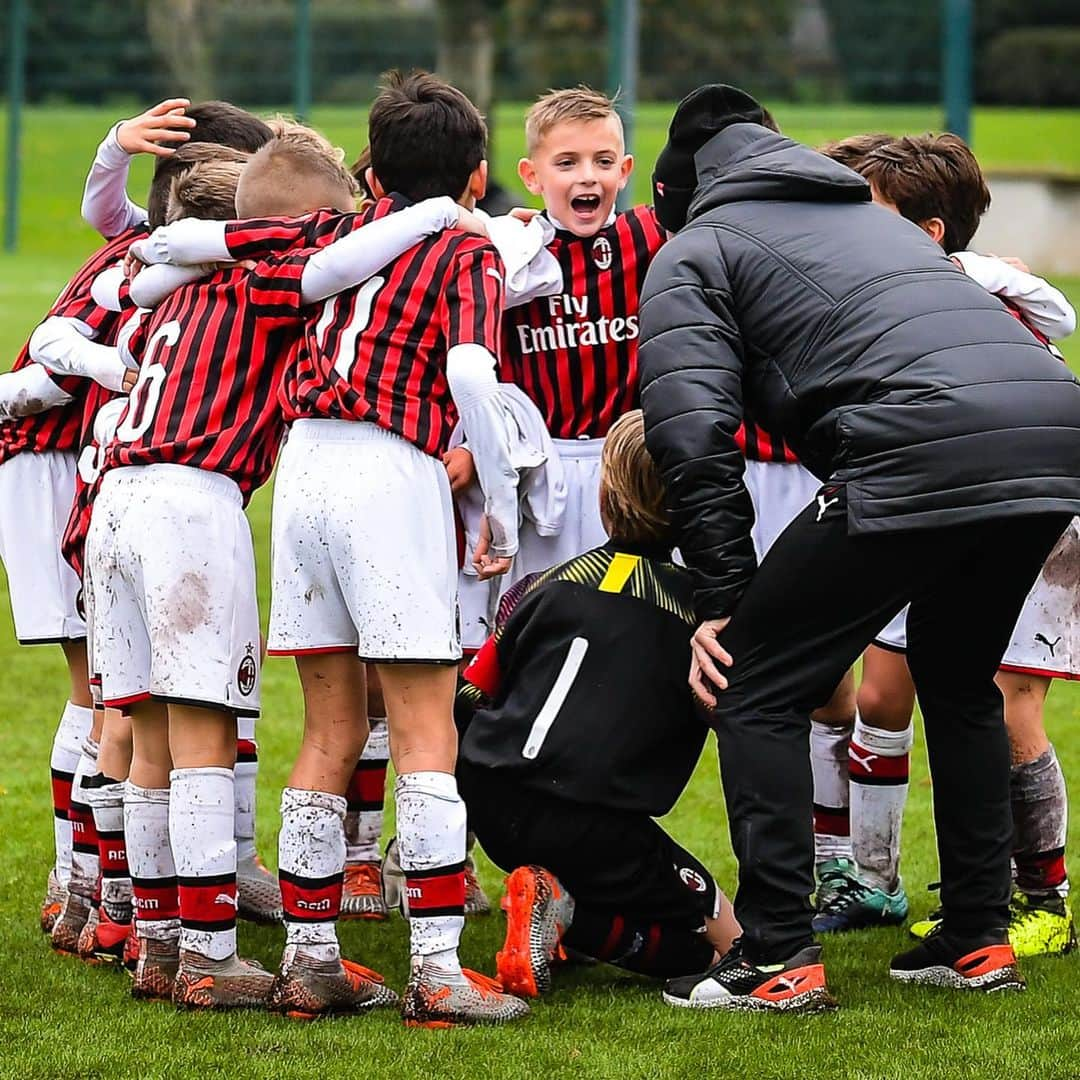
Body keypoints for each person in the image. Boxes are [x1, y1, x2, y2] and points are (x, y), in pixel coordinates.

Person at [638, 83, 1080, 1010]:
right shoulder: (867, 218)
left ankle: (776, 958)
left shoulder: (697, 246)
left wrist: (725, 594)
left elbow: (688, 430)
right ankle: (977, 939)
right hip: (1054, 433)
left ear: (680, 191)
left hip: (920, 446)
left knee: (753, 682)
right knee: (961, 682)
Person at [810, 133, 1077, 956]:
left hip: (1035, 510)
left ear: (927, 234)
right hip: (948, 509)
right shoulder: (884, 295)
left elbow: (1059, 312)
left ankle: (1045, 899)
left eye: (869, 213)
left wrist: (980, 272)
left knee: (1003, 705)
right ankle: (872, 878)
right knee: (888, 689)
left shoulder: (980, 290)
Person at [455, 410, 739, 998]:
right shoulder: (699, 616)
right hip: (595, 828)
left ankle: (552, 903)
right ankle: (569, 914)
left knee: (589, 862)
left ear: (605, 495)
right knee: (723, 947)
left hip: (492, 801)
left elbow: (469, 695)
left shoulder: (541, 586)